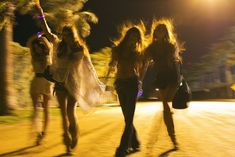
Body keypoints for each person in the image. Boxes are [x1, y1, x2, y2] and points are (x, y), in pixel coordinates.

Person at [35, 3, 105, 154]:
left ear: (72, 35)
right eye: (64, 34)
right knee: (62, 116)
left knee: (70, 113)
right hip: (60, 82)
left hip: (73, 84)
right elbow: (46, 31)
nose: (65, 37)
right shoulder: (59, 44)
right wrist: (40, 13)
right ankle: (67, 145)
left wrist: (97, 84)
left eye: (68, 35)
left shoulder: (79, 49)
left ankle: (74, 134)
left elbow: (88, 68)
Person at [144, 19, 184, 150]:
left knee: (167, 102)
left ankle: (173, 136)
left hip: (172, 76)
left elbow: (176, 61)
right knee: (166, 107)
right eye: (158, 30)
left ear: (165, 32)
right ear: (155, 33)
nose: (160, 32)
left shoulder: (171, 45)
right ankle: (173, 138)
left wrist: (179, 78)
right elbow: (144, 60)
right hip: (161, 77)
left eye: (162, 30)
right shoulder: (152, 47)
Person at [107, 25, 145, 157]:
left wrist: (140, 81)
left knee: (129, 117)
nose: (134, 38)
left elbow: (141, 69)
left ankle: (123, 147)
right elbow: (112, 64)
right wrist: (108, 79)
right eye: (132, 35)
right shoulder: (117, 49)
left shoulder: (138, 52)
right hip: (120, 84)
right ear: (127, 35)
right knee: (127, 117)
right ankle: (136, 143)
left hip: (132, 84)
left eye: (136, 37)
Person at [27, 34, 53, 145]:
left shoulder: (48, 54)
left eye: (39, 47)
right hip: (36, 81)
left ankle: (44, 132)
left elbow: (50, 46)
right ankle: (38, 132)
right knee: (36, 110)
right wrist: (35, 37)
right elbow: (29, 43)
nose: (36, 49)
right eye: (35, 47)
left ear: (42, 47)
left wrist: (42, 37)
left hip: (46, 82)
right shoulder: (34, 56)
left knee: (46, 109)